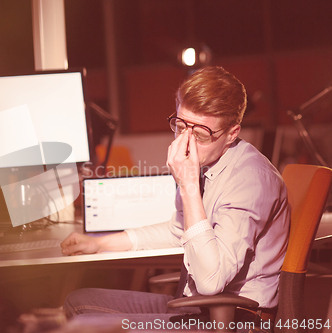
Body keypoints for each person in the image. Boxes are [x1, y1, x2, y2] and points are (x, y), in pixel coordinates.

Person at [61, 66, 290, 323]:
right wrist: (99, 243)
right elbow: (179, 229)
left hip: (231, 319)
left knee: (87, 324)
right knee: (77, 301)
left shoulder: (250, 181)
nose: (187, 143)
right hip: (194, 306)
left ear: (232, 134)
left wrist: (188, 184)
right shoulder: (209, 164)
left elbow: (210, 282)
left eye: (201, 134)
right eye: (180, 127)